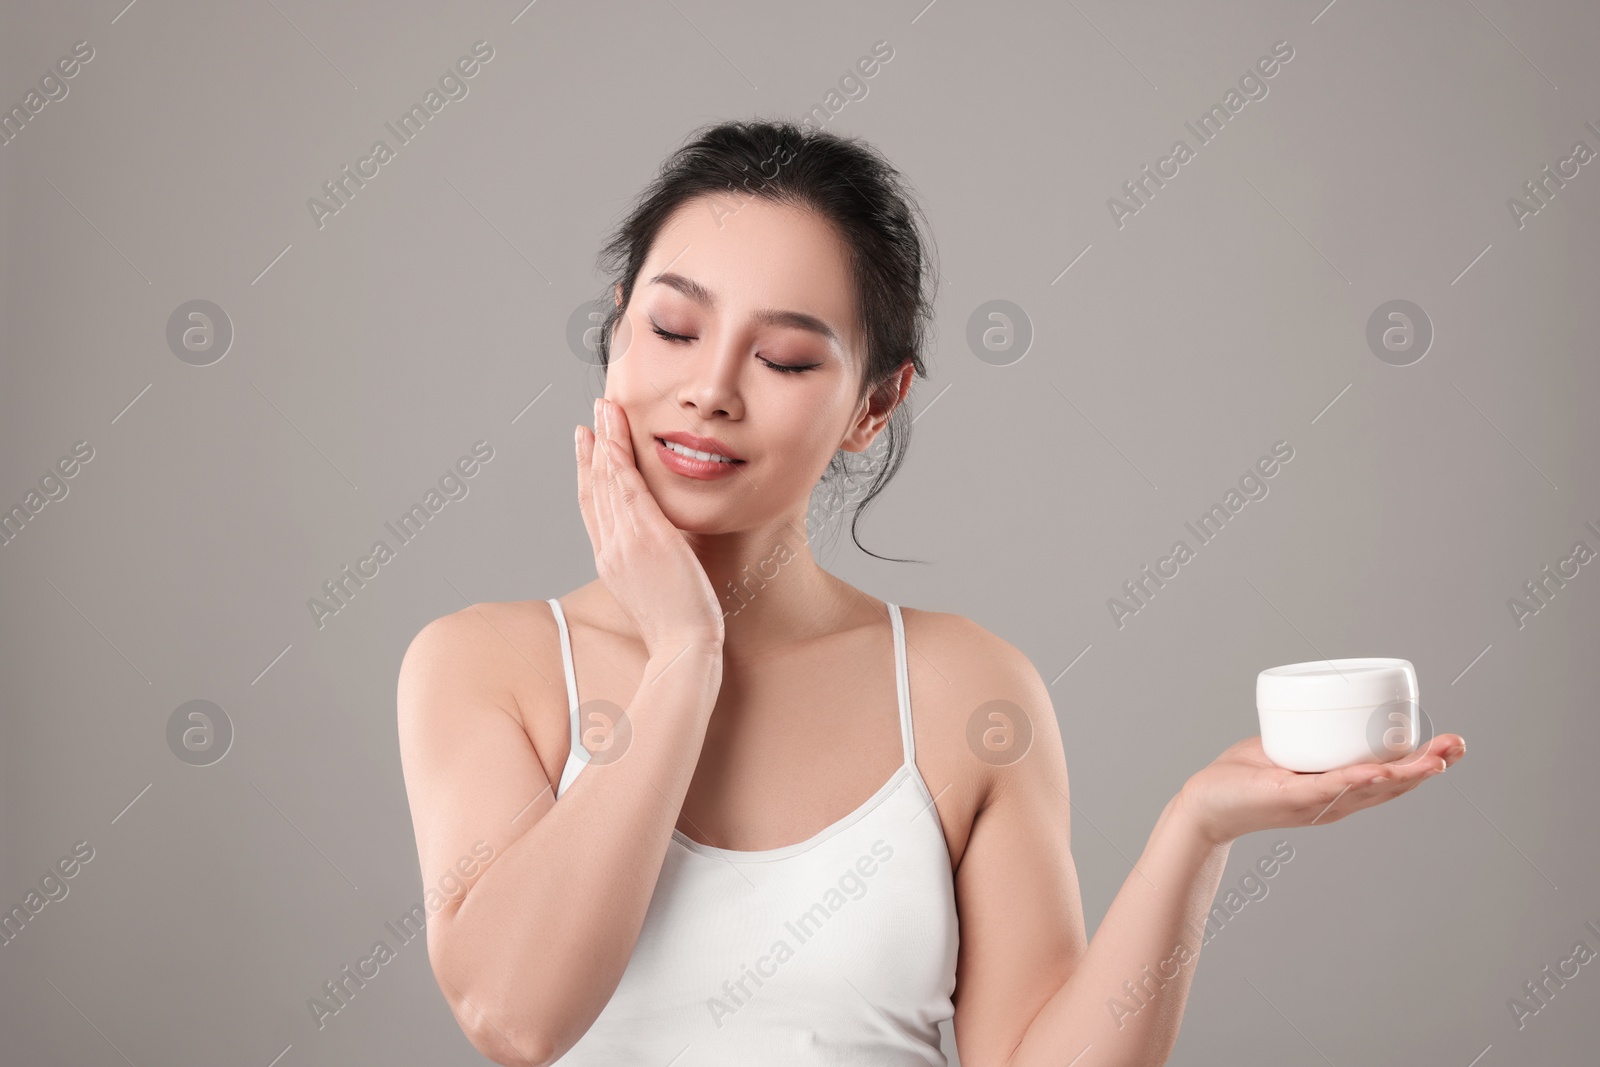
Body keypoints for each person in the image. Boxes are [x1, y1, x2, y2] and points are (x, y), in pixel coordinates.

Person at [396, 119, 1466, 1067]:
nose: (709, 389)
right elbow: (514, 1014)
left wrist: (1195, 832)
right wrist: (685, 653)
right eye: (673, 329)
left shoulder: (965, 688)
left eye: (782, 358)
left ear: (875, 405)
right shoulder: (487, 664)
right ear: (618, 330)